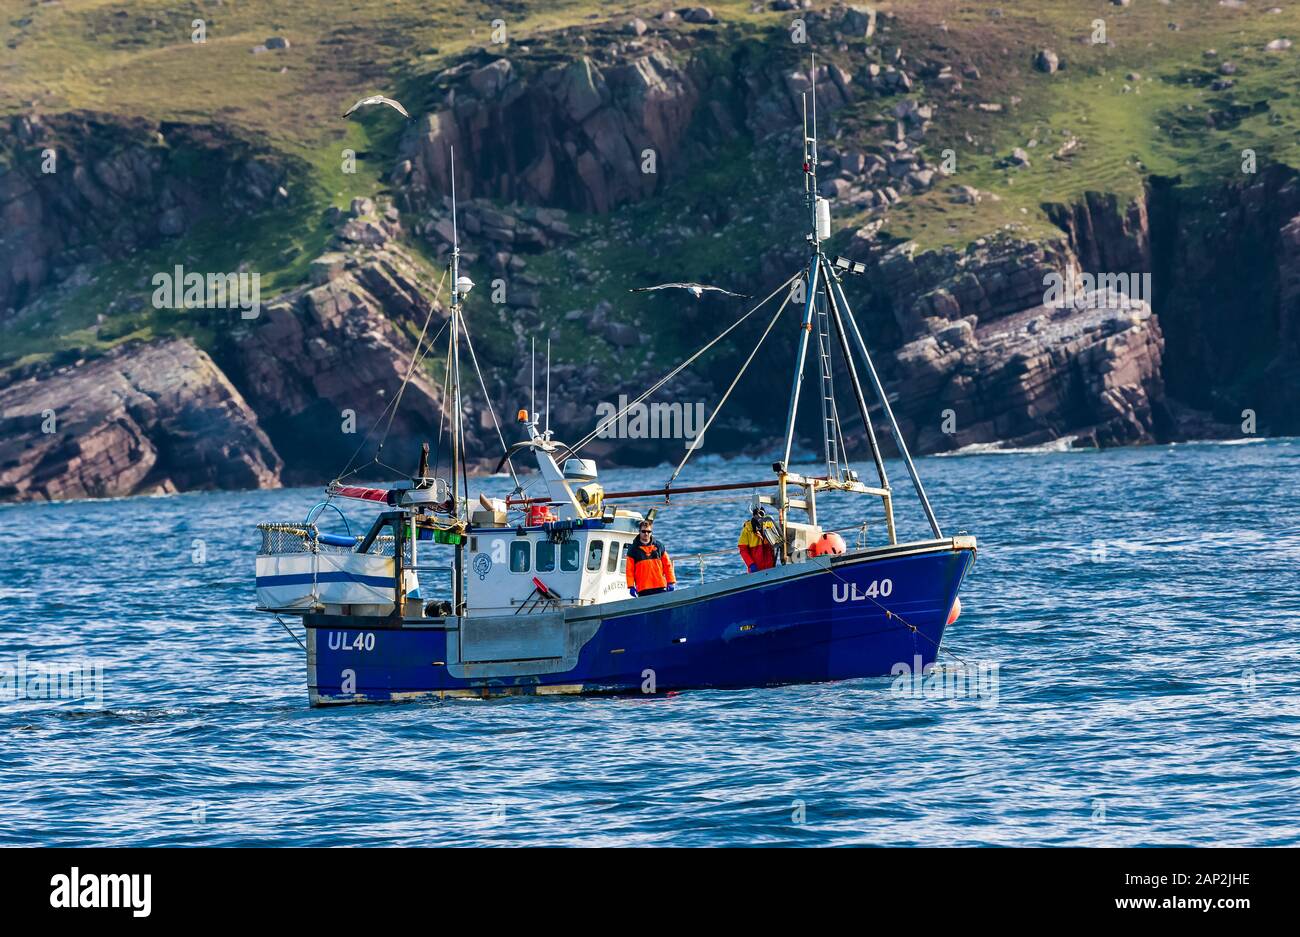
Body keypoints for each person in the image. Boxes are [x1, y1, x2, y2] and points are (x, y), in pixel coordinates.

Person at [626, 520, 676, 597]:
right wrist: (631, 586)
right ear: (639, 532)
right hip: (643, 588)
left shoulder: (659, 546)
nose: (646, 533)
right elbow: (629, 570)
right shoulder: (633, 549)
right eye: (643, 531)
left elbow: (667, 565)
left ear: (651, 532)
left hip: (660, 586)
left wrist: (671, 581)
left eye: (648, 531)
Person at [738, 506, 779, 572]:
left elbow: (777, 544)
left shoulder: (769, 525)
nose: (759, 518)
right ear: (754, 516)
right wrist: (751, 564)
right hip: (755, 569)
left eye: (761, 515)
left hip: (770, 568)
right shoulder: (747, 529)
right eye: (757, 515)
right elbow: (743, 550)